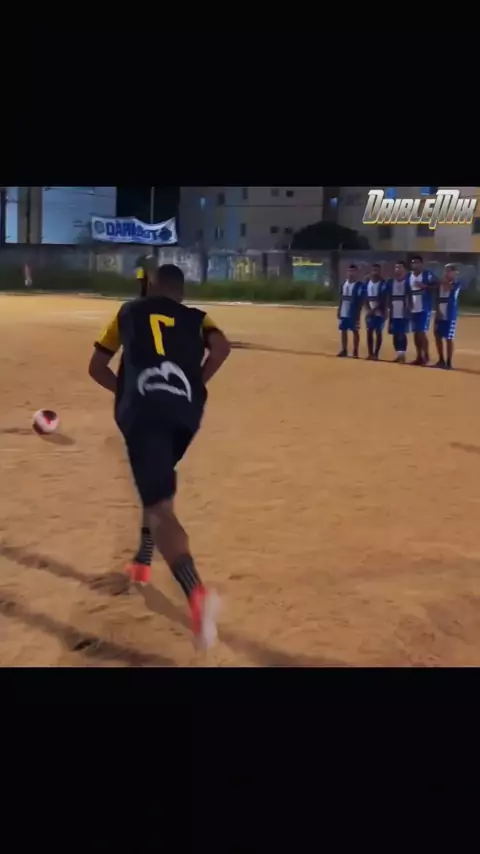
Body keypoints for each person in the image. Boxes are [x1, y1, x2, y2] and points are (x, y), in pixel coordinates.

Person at [88, 264, 231, 649]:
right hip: (184, 415)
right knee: (156, 484)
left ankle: (197, 594)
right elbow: (222, 348)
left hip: (144, 413)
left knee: (159, 505)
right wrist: (196, 384)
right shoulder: (198, 317)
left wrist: (126, 390)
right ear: (181, 292)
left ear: (150, 287)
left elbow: (96, 367)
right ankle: (142, 560)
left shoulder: (128, 311)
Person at [407, 255, 435, 365]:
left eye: (417, 262)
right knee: (415, 333)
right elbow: (407, 291)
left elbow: (437, 286)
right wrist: (408, 304)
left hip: (424, 308)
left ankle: (426, 355)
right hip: (413, 308)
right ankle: (419, 356)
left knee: (421, 332)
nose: (415, 264)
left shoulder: (427, 275)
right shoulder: (408, 276)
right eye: (413, 262)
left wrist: (425, 286)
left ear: (421, 264)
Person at [434, 263, 461, 370]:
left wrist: (441, 281)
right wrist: (437, 310)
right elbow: (437, 297)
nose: (446, 273)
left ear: (454, 273)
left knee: (449, 338)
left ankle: (449, 362)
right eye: (445, 270)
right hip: (440, 313)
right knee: (437, 336)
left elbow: (448, 288)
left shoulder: (457, 283)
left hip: (450, 314)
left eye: (449, 271)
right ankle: (441, 359)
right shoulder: (440, 284)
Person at [386, 261, 411, 363]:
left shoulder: (408, 282)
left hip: (403, 311)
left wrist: (409, 309)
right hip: (393, 311)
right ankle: (399, 354)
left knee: (402, 333)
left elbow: (410, 296)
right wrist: (388, 308)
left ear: (404, 270)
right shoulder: (390, 282)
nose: (398, 269)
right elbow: (388, 296)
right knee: (395, 333)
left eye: (400, 267)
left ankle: (403, 354)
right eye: (396, 267)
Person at [337, 264, 364, 358]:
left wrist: (358, 311)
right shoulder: (344, 284)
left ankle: (355, 350)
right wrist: (339, 310)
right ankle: (344, 349)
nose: (351, 273)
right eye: (349, 271)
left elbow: (361, 300)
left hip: (353, 312)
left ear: (356, 273)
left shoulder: (359, 285)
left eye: (353, 271)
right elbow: (341, 298)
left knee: (355, 331)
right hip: (344, 311)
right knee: (343, 330)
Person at [364, 263, 387, 360]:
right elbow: (365, 297)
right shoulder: (367, 283)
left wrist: (374, 310)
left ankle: (376, 353)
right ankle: (370, 353)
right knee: (369, 331)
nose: (375, 272)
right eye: (373, 270)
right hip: (370, 311)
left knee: (378, 331)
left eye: (377, 270)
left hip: (379, 311)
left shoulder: (383, 284)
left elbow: (383, 299)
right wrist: (368, 309)